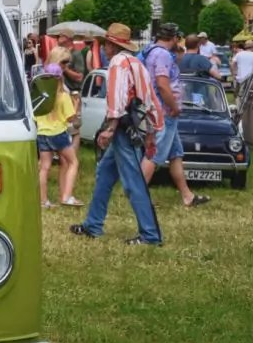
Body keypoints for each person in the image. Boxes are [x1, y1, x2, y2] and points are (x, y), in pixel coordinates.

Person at [69, 23, 165, 246]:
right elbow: (150, 99)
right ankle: (93, 224)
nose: (103, 48)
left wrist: (110, 128)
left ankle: (150, 235)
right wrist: (152, 130)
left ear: (111, 45)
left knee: (133, 181)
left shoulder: (117, 64)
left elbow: (118, 100)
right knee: (105, 173)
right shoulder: (136, 63)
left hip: (123, 126)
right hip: (134, 125)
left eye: (105, 44)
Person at [141, 23, 211, 208]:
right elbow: (163, 84)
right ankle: (139, 196)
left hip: (161, 111)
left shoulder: (152, 51)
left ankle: (187, 196)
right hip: (165, 113)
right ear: (173, 38)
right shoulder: (163, 55)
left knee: (175, 155)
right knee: (153, 155)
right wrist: (174, 106)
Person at [36, 63, 82, 208]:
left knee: (44, 167)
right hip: (58, 134)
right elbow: (70, 118)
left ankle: (43, 201)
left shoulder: (41, 97)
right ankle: (67, 196)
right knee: (73, 162)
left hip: (42, 133)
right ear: (60, 78)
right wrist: (76, 104)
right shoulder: (63, 96)